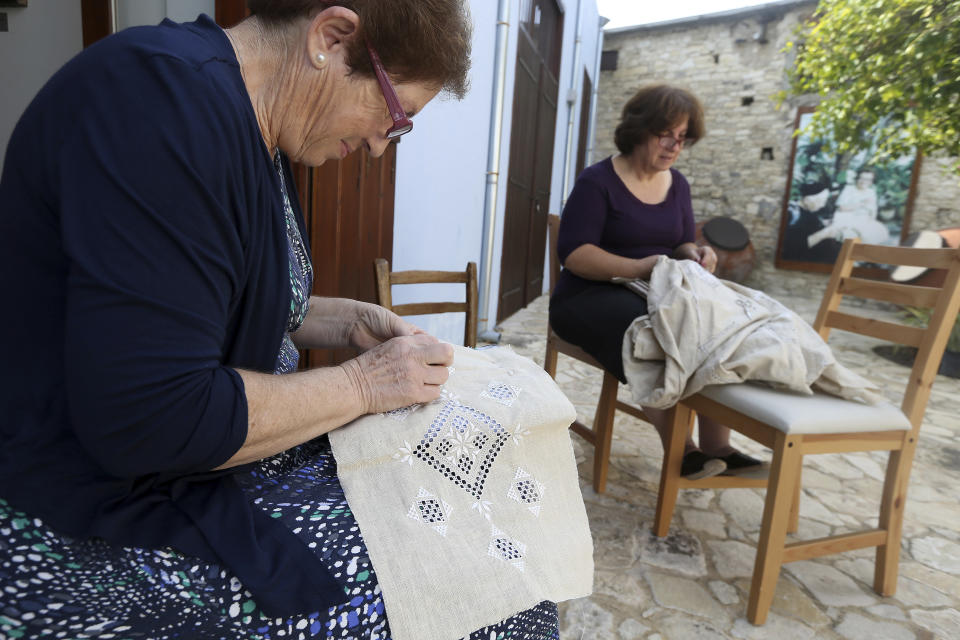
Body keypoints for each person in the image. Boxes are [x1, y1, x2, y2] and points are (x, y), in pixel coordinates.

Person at [0, 2, 560, 637]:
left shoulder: (255, 132)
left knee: (487, 528)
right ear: (332, 37)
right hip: (91, 498)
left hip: (208, 461)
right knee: (489, 600)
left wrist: (352, 323)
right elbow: (156, 415)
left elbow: (211, 304)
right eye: (394, 117)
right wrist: (364, 385)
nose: (379, 147)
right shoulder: (161, 106)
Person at [549, 84, 764, 480]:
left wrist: (697, 253)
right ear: (639, 129)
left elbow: (681, 242)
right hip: (589, 296)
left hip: (653, 289)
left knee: (716, 325)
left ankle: (719, 446)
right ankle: (683, 451)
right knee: (655, 331)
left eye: (682, 138)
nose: (673, 147)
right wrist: (640, 267)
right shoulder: (598, 181)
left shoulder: (677, 184)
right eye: (666, 135)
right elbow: (576, 255)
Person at [807, 169, 888, 248]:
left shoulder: (871, 192)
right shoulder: (849, 189)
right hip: (846, 216)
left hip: (863, 218)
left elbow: (873, 210)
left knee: (877, 231)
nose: (864, 181)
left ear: (871, 181)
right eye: (861, 178)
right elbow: (842, 207)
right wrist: (861, 203)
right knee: (855, 233)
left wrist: (872, 220)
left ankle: (864, 256)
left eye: (867, 179)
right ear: (857, 178)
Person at [781, 178, 842, 263]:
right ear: (807, 199)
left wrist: (825, 224)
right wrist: (824, 234)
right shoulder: (791, 213)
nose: (823, 205)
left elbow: (812, 225)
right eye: (821, 201)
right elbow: (792, 248)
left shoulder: (809, 210)